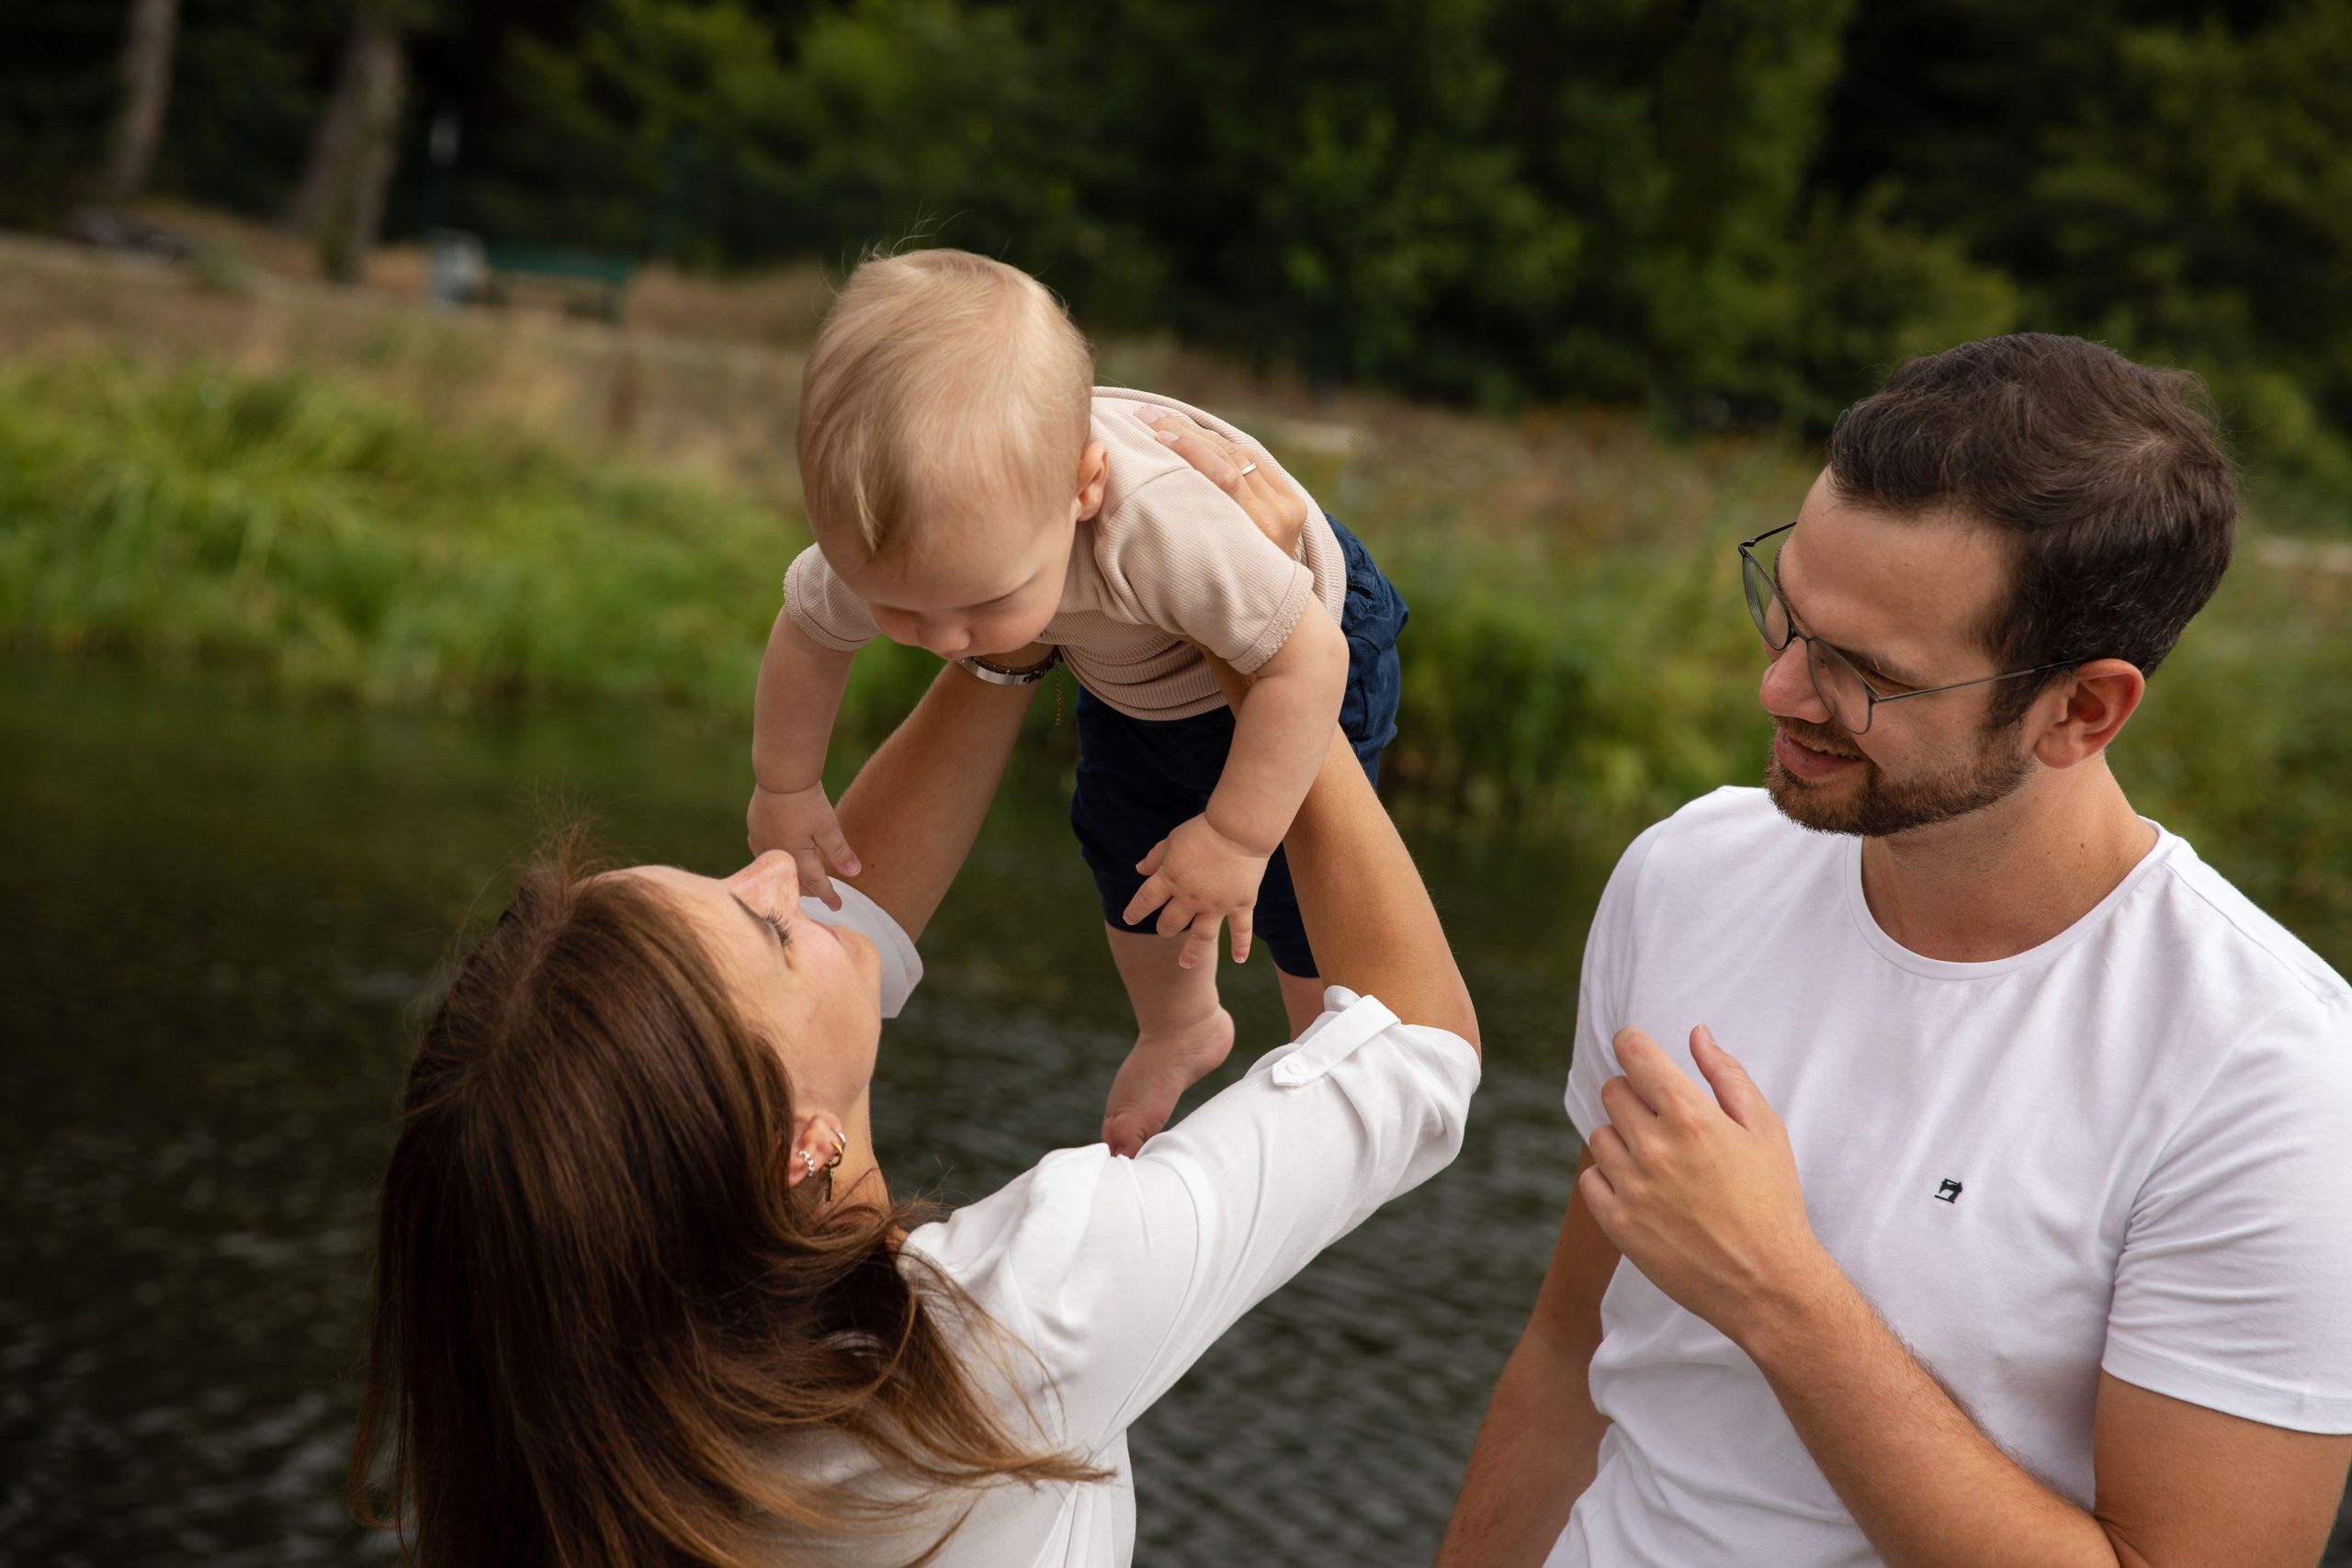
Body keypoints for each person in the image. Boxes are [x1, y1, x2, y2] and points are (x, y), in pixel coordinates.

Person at [346, 430, 1476, 1568]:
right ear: (799, 1148)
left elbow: (841, 942)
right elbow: (1420, 1052)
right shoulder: (1021, 1325)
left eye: (730, 879)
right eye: (767, 925)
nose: (779, 871)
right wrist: (1256, 636)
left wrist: (1009, 608)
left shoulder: (600, 1447)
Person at [1435, 333, 2352, 1568]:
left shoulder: (2274, 1077)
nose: (1779, 691)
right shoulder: (1687, 872)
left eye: (1863, 674)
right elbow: (1568, 1358)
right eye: (1786, 615)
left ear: (2082, 709)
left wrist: (1781, 1296)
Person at [745, 248, 1408, 1156]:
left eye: (984, 603)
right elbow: (809, 633)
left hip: (1292, 646)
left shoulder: (1157, 529)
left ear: (1084, 489)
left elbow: (1309, 663)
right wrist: (785, 785)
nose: (946, 637)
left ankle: (1324, 1042)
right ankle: (1180, 1025)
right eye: (900, 609)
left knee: (1301, 877)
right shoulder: (906, 537)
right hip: (1131, 663)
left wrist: (1236, 837)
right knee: (1118, 839)